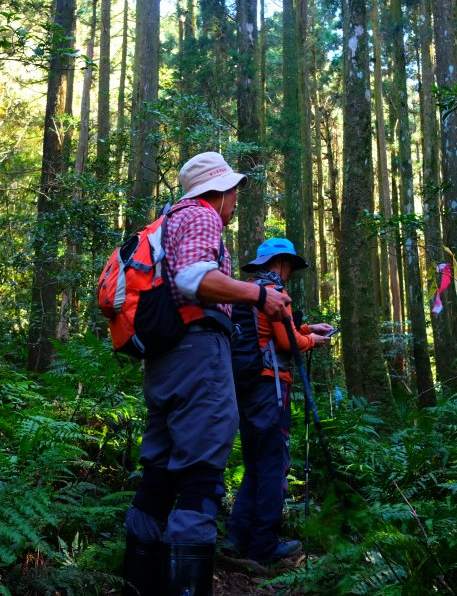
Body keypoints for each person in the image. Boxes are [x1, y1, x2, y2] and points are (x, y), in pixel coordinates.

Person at [122, 152, 290, 596]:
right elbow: (194, 279)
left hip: (167, 359)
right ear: (217, 192)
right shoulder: (201, 216)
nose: (235, 199)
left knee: (158, 467)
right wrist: (257, 295)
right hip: (197, 352)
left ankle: (139, 582)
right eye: (233, 190)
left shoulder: (168, 221)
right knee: (201, 470)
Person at [224, 238, 332, 564]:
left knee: (256, 464)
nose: (291, 275)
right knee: (273, 466)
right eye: (290, 268)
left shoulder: (247, 292)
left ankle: (236, 538)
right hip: (271, 389)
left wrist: (306, 327)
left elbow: (271, 332)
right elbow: (287, 343)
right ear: (282, 263)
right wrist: (311, 339)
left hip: (246, 387)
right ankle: (264, 546)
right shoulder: (276, 295)